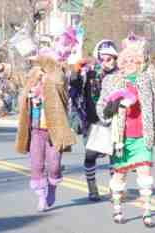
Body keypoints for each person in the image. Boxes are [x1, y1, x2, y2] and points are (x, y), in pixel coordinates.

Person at [96, 33, 155, 226]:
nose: (130, 63)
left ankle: (147, 212)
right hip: (121, 138)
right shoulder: (111, 82)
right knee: (120, 174)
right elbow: (101, 107)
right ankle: (117, 209)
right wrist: (110, 108)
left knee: (145, 175)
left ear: (139, 61)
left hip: (143, 135)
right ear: (121, 62)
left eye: (133, 60)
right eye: (126, 60)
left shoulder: (147, 78)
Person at [15, 54, 77, 212]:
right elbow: (20, 77)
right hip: (36, 130)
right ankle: (41, 197)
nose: (40, 74)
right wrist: (2, 68)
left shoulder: (58, 79)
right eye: (39, 72)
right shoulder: (35, 77)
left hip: (54, 132)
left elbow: (56, 75)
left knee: (55, 166)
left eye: (43, 70)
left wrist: (43, 61)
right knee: (36, 165)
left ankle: (53, 186)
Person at [69, 40, 119, 201]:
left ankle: (114, 188)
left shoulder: (120, 75)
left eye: (109, 59)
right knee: (90, 155)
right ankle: (92, 188)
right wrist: (76, 70)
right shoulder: (89, 72)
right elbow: (74, 87)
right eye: (103, 59)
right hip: (92, 120)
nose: (106, 62)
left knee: (114, 157)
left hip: (114, 120)